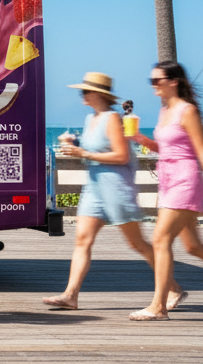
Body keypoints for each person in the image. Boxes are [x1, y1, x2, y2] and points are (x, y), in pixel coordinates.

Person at [41, 73, 184, 311]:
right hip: (95, 188)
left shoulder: (112, 119)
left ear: (98, 94)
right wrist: (74, 145)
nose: (82, 95)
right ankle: (70, 295)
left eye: (85, 91)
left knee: (137, 244)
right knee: (82, 240)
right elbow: (94, 148)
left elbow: (121, 156)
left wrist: (83, 154)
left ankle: (174, 288)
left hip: (116, 187)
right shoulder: (91, 118)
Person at [129, 61, 203, 321]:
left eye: (157, 80)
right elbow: (168, 149)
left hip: (185, 179)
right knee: (194, 247)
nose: (153, 85)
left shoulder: (187, 111)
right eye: (151, 81)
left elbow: (201, 152)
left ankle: (158, 307)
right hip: (168, 181)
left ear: (173, 81)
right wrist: (143, 141)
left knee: (160, 240)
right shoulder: (164, 110)